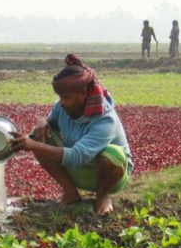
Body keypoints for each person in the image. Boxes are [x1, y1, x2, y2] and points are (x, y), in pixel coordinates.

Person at [10, 54, 133, 215]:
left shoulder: (105, 119)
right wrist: (42, 122)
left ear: (83, 93)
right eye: (60, 97)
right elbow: (48, 122)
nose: (61, 102)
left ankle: (102, 196)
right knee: (39, 136)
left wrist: (32, 145)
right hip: (80, 172)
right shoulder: (62, 107)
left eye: (66, 97)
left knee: (112, 154)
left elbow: (77, 156)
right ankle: (70, 192)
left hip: (111, 174)